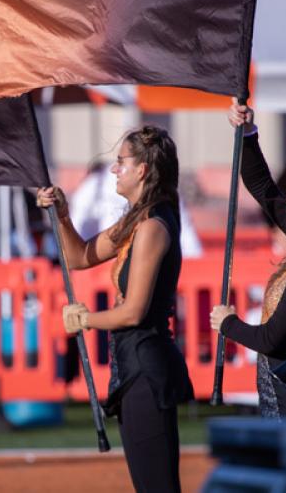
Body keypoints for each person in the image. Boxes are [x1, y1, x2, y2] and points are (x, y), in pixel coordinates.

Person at [37, 125, 194, 493]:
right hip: (133, 367)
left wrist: (85, 319)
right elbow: (77, 257)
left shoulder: (154, 226)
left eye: (120, 162)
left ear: (141, 170)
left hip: (146, 367)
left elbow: (133, 312)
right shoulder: (136, 221)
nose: (113, 169)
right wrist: (61, 213)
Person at [210, 99, 286, 417]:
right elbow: (263, 187)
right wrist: (247, 133)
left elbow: (273, 339)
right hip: (285, 388)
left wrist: (228, 324)